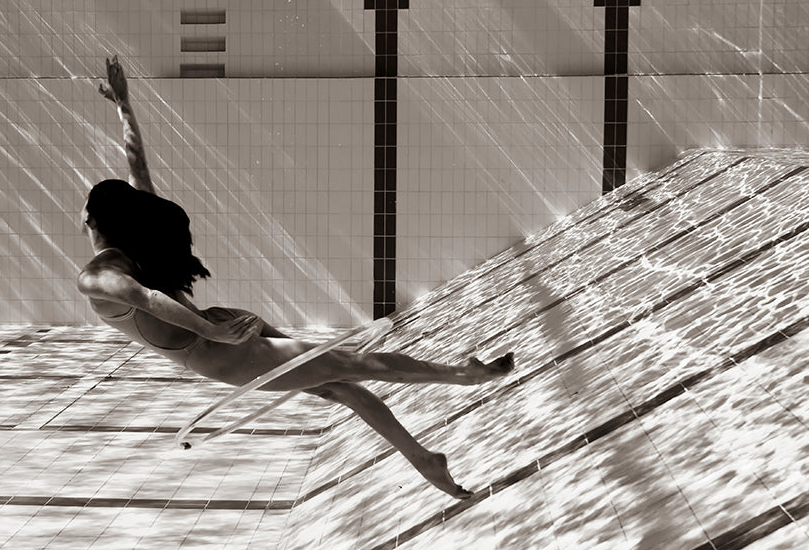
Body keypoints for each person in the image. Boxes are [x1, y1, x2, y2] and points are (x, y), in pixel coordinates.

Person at [77, 57, 514, 499]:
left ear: (90, 219)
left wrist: (125, 106)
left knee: (344, 377)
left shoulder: (104, 267)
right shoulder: (111, 265)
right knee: (345, 376)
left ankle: (446, 413)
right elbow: (148, 290)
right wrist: (214, 329)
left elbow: (140, 194)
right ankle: (442, 421)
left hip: (221, 342)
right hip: (222, 340)